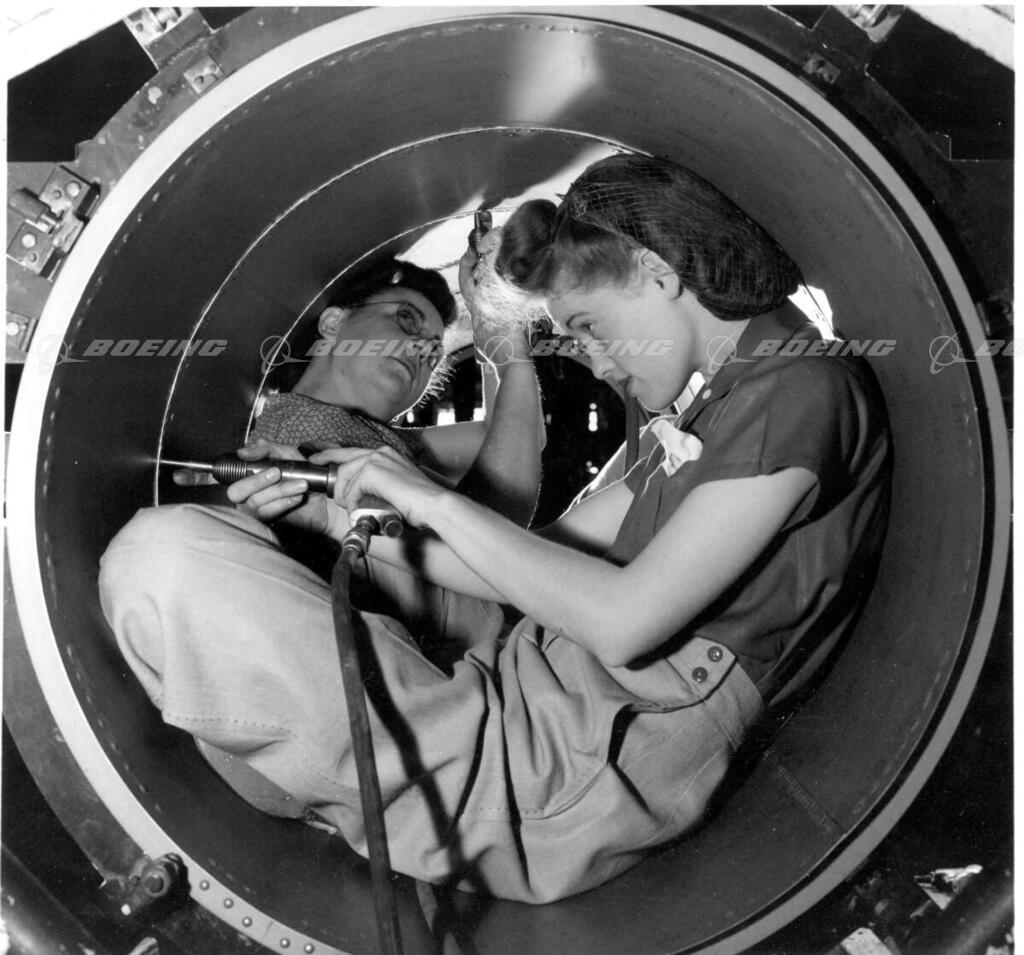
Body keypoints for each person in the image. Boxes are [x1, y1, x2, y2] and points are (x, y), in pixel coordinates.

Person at [100, 154, 891, 905]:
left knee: (157, 558)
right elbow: (544, 556)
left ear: (659, 273)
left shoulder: (802, 387)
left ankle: (345, 780)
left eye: (585, 323)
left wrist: (427, 496)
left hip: (552, 770)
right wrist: (344, 517)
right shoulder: (724, 411)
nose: (596, 362)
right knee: (187, 573)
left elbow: (622, 621)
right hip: (516, 707)